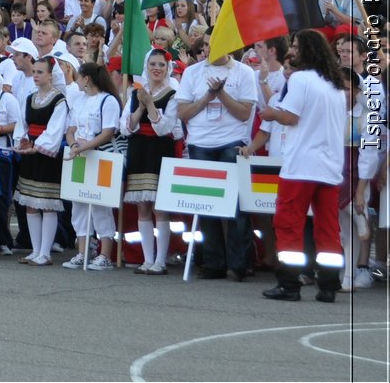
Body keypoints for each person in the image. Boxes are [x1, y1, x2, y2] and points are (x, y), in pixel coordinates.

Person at [262, 30, 351, 301]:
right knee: (327, 228)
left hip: (301, 164)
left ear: (308, 51)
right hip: (329, 165)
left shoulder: (300, 79)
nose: (292, 51)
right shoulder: (335, 84)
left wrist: (271, 113)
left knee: (288, 223)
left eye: (297, 47)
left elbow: (290, 117)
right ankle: (328, 285)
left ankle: (289, 284)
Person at [176, 44, 259, 280]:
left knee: (236, 206)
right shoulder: (193, 72)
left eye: (215, 42)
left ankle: (239, 263)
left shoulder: (244, 72)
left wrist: (221, 94)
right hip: (200, 143)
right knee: (206, 205)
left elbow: (245, 113)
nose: (209, 48)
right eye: (205, 44)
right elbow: (183, 112)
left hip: (231, 142)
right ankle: (213, 262)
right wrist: (208, 96)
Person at [123, 49, 182, 275]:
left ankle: (161, 260)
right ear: (146, 68)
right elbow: (126, 127)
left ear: (167, 69)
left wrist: (149, 105)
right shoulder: (135, 93)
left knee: (160, 208)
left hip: (159, 150)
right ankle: (148, 259)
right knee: (142, 206)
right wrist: (140, 105)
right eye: (153, 64)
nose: (157, 68)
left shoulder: (173, 94)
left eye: (161, 65)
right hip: (138, 149)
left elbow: (165, 128)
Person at [62, 62, 123, 271]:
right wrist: (73, 144)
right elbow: (71, 129)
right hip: (79, 155)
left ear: (86, 78)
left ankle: (105, 254)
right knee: (78, 204)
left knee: (100, 205)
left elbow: (108, 132)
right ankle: (83, 251)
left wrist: (84, 146)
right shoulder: (79, 100)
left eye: (78, 77)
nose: (76, 80)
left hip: (101, 157)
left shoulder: (108, 100)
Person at [12, 57, 69, 265]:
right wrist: (23, 141)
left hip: (47, 155)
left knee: (48, 204)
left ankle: (45, 252)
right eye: (34, 71)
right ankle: (35, 250)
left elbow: (56, 130)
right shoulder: (30, 98)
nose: (36, 75)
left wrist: (37, 146)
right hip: (31, 152)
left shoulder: (59, 100)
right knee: (30, 204)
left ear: (50, 75)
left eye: (40, 72)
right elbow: (22, 123)